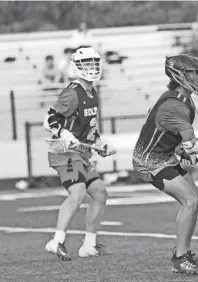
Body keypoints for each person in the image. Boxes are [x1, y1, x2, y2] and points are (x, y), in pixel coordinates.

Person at [132, 54, 198, 275]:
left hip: (165, 155)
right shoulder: (175, 105)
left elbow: (174, 139)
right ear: (180, 75)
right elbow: (191, 147)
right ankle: (180, 259)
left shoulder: (181, 99)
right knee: (189, 201)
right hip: (150, 161)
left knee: (196, 199)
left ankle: (182, 251)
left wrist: (183, 150)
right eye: (194, 73)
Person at [44, 47, 115, 261]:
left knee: (100, 193)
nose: (91, 68)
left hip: (81, 153)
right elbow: (50, 118)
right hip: (64, 152)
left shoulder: (92, 93)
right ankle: (56, 241)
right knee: (78, 193)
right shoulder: (73, 92)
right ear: (76, 67)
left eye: (94, 63)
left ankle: (89, 245)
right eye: (86, 64)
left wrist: (99, 143)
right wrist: (64, 132)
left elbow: (89, 128)